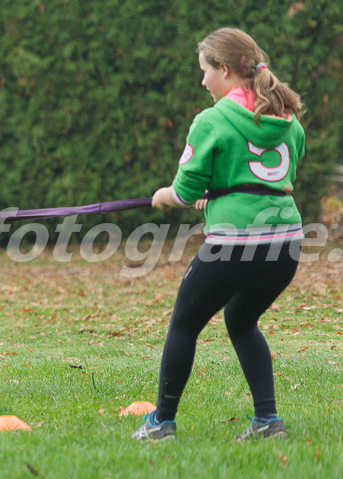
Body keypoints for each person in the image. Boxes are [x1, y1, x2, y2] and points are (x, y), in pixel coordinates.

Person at [131, 28, 305, 441]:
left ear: (225, 70)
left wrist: (164, 196)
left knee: (184, 324)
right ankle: (267, 421)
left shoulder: (212, 120)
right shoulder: (288, 118)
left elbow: (184, 190)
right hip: (287, 243)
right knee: (241, 319)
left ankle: (162, 423)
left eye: (205, 71)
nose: (202, 81)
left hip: (235, 244)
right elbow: (273, 178)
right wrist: (218, 197)